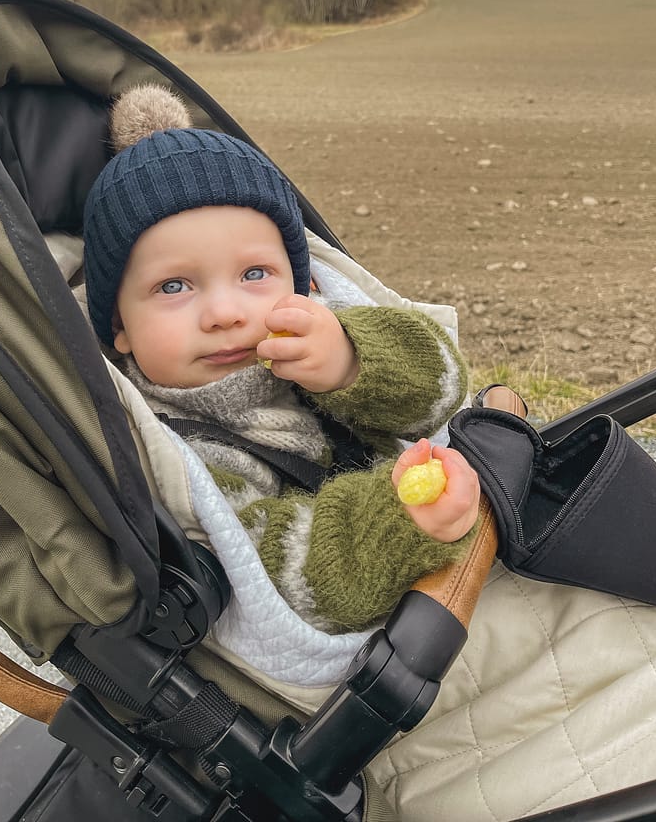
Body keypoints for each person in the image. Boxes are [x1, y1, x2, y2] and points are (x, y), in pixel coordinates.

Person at [82, 83, 480, 634]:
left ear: (302, 282)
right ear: (120, 329)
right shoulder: (178, 453)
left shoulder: (319, 335)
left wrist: (351, 362)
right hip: (396, 615)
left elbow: (443, 390)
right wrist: (403, 517)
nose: (224, 312)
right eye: (174, 286)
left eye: (253, 275)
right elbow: (285, 575)